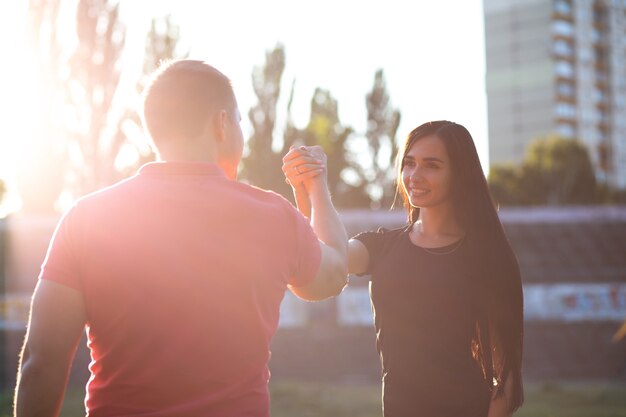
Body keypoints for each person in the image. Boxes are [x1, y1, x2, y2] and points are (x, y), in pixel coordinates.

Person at [14, 60, 348, 417]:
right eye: (237, 120)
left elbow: (42, 360)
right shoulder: (273, 215)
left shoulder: (85, 217)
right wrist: (317, 188)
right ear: (221, 123)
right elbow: (333, 275)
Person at [282, 120, 524, 417]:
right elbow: (327, 261)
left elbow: (507, 375)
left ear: (460, 174)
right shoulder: (382, 246)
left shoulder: (487, 256)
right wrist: (315, 186)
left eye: (431, 165)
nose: (414, 175)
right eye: (409, 163)